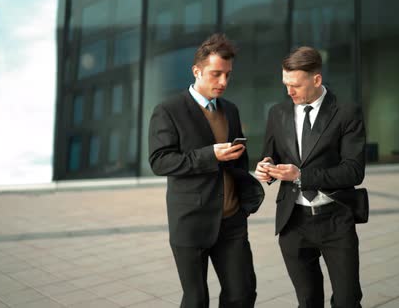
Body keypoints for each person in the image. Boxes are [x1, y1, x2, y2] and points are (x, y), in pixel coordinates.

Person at [149, 33, 264, 308]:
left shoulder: (231, 110)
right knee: (196, 300)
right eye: (216, 74)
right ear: (197, 71)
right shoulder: (168, 110)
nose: (223, 82)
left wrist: (252, 177)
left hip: (232, 220)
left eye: (227, 75)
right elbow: (160, 161)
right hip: (191, 222)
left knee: (242, 295)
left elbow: (238, 161)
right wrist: (208, 155)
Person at [254, 46, 366, 308]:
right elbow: (269, 155)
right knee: (307, 301)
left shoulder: (346, 112)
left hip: (335, 220)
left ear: (316, 80)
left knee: (348, 301)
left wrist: (302, 175)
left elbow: (353, 171)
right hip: (293, 223)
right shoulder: (277, 113)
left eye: (295, 85)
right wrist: (265, 168)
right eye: (285, 84)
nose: (289, 91)